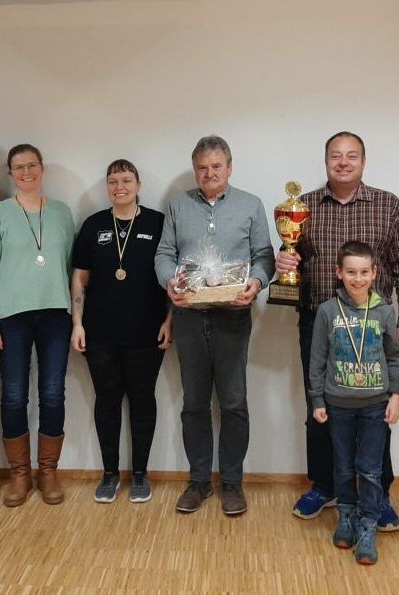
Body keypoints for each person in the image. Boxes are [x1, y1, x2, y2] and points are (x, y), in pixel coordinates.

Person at [275, 131, 399, 530]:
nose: (343, 162)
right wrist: (284, 262)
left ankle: (378, 493)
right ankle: (324, 486)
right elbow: (292, 257)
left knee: (376, 411)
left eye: (351, 156)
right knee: (319, 407)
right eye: (335, 156)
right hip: (320, 327)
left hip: (373, 330)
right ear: (325, 162)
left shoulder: (388, 205)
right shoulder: (303, 207)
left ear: (363, 162)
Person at [155, 135, 274, 516]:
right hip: (189, 317)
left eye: (216, 166)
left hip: (233, 316)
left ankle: (233, 483)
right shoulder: (178, 205)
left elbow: (264, 256)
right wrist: (168, 281)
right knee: (194, 403)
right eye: (202, 167)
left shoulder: (251, 205)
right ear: (195, 170)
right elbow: (164, 253)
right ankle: (199, 481)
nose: (209, 173)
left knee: (234, 403)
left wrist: (256, 282)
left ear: (229, 167)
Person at [0, 143, 75, 506]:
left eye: (32, 165)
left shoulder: (62, 213)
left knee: (52, 393)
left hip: (56, 315)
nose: (26, 172)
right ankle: (20, 474)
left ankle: (48, 471)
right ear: (10, 173)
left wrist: (77, 315)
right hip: (11, 317)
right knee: (15, 394)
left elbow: (71, 269)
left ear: (42, 169)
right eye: (19, 167)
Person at [71, 159, 172, 504]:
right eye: (113, 181)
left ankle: (140, 473)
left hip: (147, 332)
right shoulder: (93, 225)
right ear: (107, 187)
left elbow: (174, 276)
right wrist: (77, 324)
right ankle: (110, 473)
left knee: (143, 401)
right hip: (100, 334)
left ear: (138, 185)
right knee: (107, 401)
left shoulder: (158, 223)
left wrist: (170, 319)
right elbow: (80, 278)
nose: (120, 187)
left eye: (126, 180)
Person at [309, 241, 399, 565]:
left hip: (375, 404)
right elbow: (317, 361)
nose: (358, 278)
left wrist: (396, 395)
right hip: (338, 404)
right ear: (339, 273)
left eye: (364, 272)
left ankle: (368, 525)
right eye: (351, 272)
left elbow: (393, 357)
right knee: (343, 466)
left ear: (375, 273)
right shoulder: (327, 311)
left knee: (371, 469)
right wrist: (317, 399)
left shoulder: (384, 311)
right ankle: (346, 516)